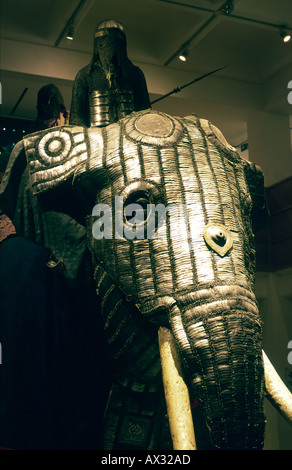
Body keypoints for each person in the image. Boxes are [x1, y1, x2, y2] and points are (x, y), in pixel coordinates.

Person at [0, 84, 111, 449]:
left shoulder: (28, 146)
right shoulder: (49, 147)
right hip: (51, 266)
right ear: (62, 112)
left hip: (41, 262)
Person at [70, 19, 151, 127]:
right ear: (97, 47)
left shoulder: (135, 74)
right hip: (96, 137)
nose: (107, 49)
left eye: (111, 45)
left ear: (120, 47)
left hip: (129, 135)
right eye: (102, 45)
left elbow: (145, 112)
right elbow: (77, 117)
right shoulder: (85, 75)